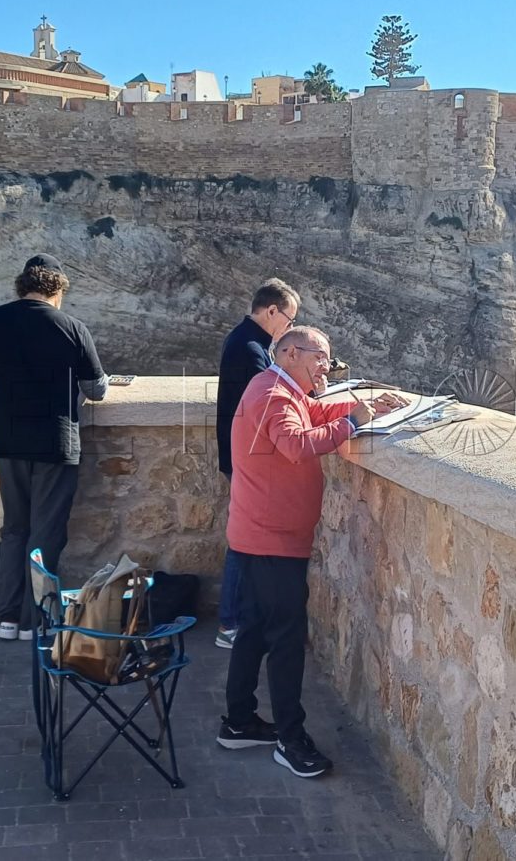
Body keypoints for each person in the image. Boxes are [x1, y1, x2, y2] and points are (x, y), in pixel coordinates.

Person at [216, 327, 407, 777]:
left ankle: (239, 722)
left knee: (256, 629)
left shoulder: (280, 388)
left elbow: (312, 410)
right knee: (286, 639)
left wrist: (361, 406)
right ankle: (289, 737)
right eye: (320, 358)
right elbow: (297, 444)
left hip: (263, 533)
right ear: (289, 353)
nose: (326, 366)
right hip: (272, 537)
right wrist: (353, 424)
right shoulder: (272, 393)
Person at [0, 254, 108, 641]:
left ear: (20, 286)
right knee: (47, 534)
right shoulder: (71, 327)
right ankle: (34, 620)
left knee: (14, 530)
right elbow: (97, 389)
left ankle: (6, 618)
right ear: (57, 290)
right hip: (55, 443)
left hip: (7, 442)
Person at [213, 278, 300, 649]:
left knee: (245, 540)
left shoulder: (246, 341)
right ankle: (231, 623)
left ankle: (236, 619)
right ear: (271, 311)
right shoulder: (251, 350)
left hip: (239, 455)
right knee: (244, 543)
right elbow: (267, 403)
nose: (290, 327)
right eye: (289, 319)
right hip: (247, 459)